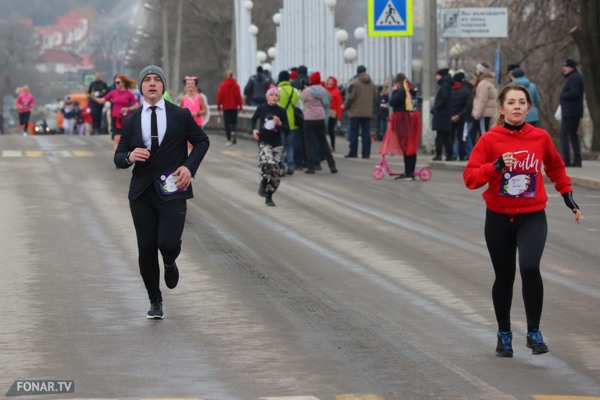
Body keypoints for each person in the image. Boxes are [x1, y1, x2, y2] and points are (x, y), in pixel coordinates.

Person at [463, 82, 582, 358]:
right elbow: (470, 178)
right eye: (511, 103)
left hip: (532, 217)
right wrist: (496, 166)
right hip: (498, 219)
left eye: (522, 102)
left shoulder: (539, 137)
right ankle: (504, 334)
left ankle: (533, 332)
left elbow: (555, 166)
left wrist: (568, 196)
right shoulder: (490, 140)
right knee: (504, 277)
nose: (517, 107)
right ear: (502, 109)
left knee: (529, 268)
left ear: (529, 108)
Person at [114, 65, 210, 319]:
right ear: (141, 87)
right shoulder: (131, 120)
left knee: (166, 242)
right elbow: (118, 156)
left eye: (157, 80)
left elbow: (202, 141)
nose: (152, 83)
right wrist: (129, 156)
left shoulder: (180, 115)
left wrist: (189, 167)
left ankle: (169, 259)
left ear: (164, 86)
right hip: (142, 192)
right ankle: (155, 300)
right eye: (147, 80)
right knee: (146, 247)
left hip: (173, 188)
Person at [250, 85, 289, 206]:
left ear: (278, 98)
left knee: (275, 173)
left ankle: (269, 195)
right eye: (271, 95)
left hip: (277, 145)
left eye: (276, 95)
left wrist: (280, 123)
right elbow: (253, 120)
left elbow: (288, 129)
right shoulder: (261, 108)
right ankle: (263, 182)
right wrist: (254, 130)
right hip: (264, 142)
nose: (274, 97)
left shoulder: (281, 111)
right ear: (267, 97)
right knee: (268, 163)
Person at [383, 73, 420, 180]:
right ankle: (410, 172)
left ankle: (408, 173)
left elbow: (392, 102)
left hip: (403, 121)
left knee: (406, 147)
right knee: (411, 147)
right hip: (412, 120)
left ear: (397, 82)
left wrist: (394, 91)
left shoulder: (401, 91)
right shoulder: (411, 90)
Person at [302, 71, 337, 174]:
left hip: (308, 118)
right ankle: (332, 165)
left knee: (309, 143)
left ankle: (311, 167)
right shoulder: (324, 91)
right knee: (324, 142)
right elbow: (326, 103)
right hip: (320, 118)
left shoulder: (306, 91)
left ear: (311, 80)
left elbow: (303, 101)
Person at [92, 73, 140, 149]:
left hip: (125, 119)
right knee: (117, 138)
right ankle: (117, 154)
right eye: (115, 82)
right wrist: (94, 98)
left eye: (118, 82)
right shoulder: (113, 93)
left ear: (123, 83)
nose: (116, 84)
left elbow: (136, 105)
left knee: (126, 137)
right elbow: (102, 100)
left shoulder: (129, 93)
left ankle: (126, 153)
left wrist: (128, 109)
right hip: (116, 118)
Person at [343, 65, 376, 159]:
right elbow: (375, 96)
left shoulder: (354, 83)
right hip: (367, 112)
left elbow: (350, 97)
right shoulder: (371, 83)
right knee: (366, 133)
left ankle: (353, 152)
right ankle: (366, 153)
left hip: (355, 111)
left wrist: (346, 105)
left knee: (354, 132)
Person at [559, 58, 584, 167]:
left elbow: (574, 92)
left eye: (566, 66)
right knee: (573, 134)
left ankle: (567, 160)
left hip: (570, 111)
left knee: (564, 134)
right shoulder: (575, 77)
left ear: (571, 67)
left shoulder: (573, 78)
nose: (564, 68)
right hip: (574, 111)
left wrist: (563, 96)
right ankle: (577, 159)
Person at [277, 70, 300, 174]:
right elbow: (300, 107)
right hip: (292, 122)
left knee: (280, 145)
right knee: (289, 145)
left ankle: (281, 165)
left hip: (280, 122)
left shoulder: (276, 91)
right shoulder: (295, 91)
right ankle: (291, 165)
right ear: (288, 79)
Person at [471, 62, 498, 143]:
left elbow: (482, 101)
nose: (476, 71)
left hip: (483, 114)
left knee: (484, 134)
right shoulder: (489, 82)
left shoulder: (483, 84)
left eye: (477, 70)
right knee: (483, 132)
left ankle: (487, 152)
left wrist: (477, 114)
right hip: (486, 113)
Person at [217, 69, 244, 147]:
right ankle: (233, 132)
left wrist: (219, 107)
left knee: (227, 124)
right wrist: (240, 107)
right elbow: (238, 97)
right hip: (234, 107)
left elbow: (219, 97)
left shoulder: (222, 85)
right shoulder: (236, 85)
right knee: (233, 122)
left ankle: (229, 140)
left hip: (226, 107)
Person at [431, 68, 453, 161]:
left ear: (441, 76)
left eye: (437, 75)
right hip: (445, 115)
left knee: (440, 136)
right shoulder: (446, 85)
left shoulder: (444, 86)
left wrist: (435, 108)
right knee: (445, 136)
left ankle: (439, 154)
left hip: (441, 115)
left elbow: (444, 99)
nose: (436, 77)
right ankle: (449, 155)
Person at [450, 72, 473, 161]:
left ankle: (451, 155)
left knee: (451, 137)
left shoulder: (449, 90)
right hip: (462, 118)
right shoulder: (466, 91)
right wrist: (459, 115)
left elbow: (447, 104)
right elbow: (468, 106)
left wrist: (451, 116)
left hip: (450, 118)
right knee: (461, 137)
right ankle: (461, 155)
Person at [326, 75, 343, 152]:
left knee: (330, 129)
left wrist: (339, 115)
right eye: (328, 81)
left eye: (331, 82)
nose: (329, 83)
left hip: (332, 113)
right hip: (325, 112)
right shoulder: (325, 90)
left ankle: (332, 145)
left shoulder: (336, 92)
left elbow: (339, 104)